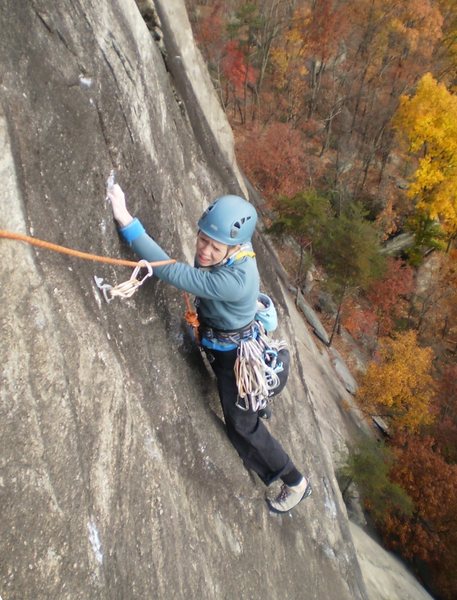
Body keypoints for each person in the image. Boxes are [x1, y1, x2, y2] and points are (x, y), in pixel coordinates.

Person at [108, 184, 312, 513]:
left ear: (234, 246)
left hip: (233, 357)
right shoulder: (234, 249)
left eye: (215, 247)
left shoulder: (235, 279)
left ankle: (295, 481)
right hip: (221, 342)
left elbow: (173, 273)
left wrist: (127, 221)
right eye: (202, 239)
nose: (204, 251)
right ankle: (256, 403)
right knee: (238, 405)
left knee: (241, 425)